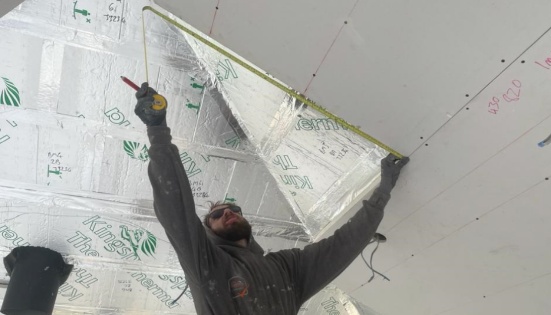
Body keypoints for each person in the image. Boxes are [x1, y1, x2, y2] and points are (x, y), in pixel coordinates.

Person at [134, 83, 410, 314]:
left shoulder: (287, 267)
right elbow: (176, 211)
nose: (227, 212)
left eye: (232, 208)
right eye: (216, 215)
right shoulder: (208, 264)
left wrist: (383, 190)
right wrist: (158, 131)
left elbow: (343, 244)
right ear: (208, 232)